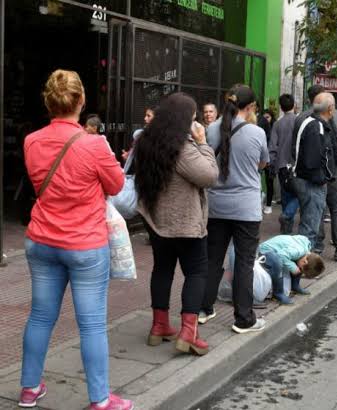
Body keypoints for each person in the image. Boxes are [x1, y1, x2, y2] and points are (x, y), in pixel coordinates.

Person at [21, 69, 131, 409]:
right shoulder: (94, 144)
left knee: (40, 316)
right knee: (92, 323)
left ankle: (28, 389)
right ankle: (100, 399)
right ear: (81, 101)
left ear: (49, 102)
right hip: (84, 244)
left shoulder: (31, 141)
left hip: (40, 239)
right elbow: (116, 186)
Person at [134, 93, 219, 357]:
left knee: (162, 269)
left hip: (157, 221)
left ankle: (159, 325)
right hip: (185, 222)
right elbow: (209, 176)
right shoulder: (182, 148)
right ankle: (188, 332)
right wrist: (204, 144)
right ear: (185, 119)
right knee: (196, 272)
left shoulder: (147, 142)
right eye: (193, 117)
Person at [199, 85, 268, 334]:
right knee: (244, 263)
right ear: (249, 108)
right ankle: (243, 318)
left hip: (216, 206)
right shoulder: (257, 132)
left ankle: (203, 309)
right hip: (246, 209)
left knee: (213, 260)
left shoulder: (211, 129)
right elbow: (262, 163)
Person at [294, 87, 337, 263]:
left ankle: (316, 247)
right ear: (329, 107)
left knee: (315, 213)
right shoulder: (323, 121)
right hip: (325, 173)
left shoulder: (301, 117)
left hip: (307, 174)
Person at [292, 92, 337, 250]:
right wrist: (324, 178)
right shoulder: (316, 126)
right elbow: (313, 159)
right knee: (310, 228)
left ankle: (307, 260)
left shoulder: (308, 122)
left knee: (310, 225)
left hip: (305, 180)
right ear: (330, 109)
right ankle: (304, 266)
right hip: (311, 183)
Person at [257, 235, 326, 305]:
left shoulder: (305, 251)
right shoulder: (297, 251)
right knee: (277, 263)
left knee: (297, 263)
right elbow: (281, 255)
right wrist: (293, 268)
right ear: (305, 261)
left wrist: (296, 268)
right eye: (301, 269)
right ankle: (278, 293)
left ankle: (295, 286)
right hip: (265, 250)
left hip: (279, 250)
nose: (300, 271)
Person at [269, 94, 299, 234]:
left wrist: (272, 166)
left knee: (286, 195)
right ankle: (287, 216)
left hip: (281, 165)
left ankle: (286, 230)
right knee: (299, 194)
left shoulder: (277, 124)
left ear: (281, 107)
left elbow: (273, 147)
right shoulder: (300, 121)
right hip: (296, 165)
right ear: (294, 105)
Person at [258, 109, 276, 214]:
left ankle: (268, 204)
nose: (266, 119)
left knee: (269, 182)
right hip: (260, 158)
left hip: (270, 158)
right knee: (258, 180)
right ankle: (260, 200)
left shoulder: (274, 128)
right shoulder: (259, 128)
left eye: (268, 117)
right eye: (264, 117)